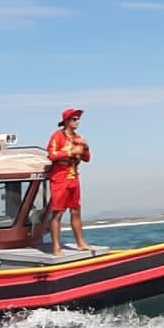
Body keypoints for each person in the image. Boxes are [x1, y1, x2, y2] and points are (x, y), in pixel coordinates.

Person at [46, 107, 92, 254]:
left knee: (76, 211)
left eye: (78, 119)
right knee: (58, 213)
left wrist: (85, 147)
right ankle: (56, 247)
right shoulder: (57, 136)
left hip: (74, 175)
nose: (77, 122)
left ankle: (81, 243)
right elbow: (52, 155)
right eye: (74, 119)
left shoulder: (77, 137)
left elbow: (87, 159)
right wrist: (71, 151)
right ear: (66, 121)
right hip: (60, 176)